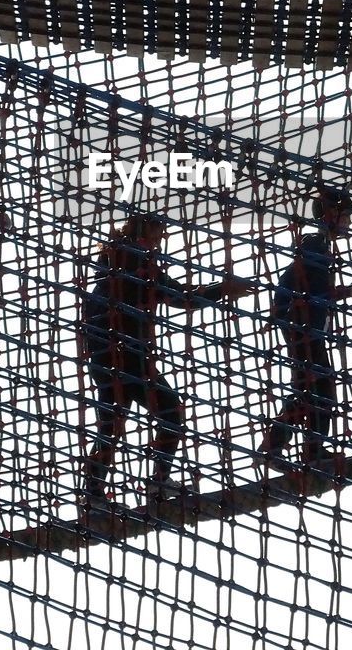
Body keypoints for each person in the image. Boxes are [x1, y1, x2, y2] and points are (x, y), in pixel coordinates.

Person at [79, 213, 250, 506]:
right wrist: (223, 289)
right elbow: (182, 298)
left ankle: (93, 491)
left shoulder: (111, 269)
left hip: (104, 358)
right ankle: (156, 482)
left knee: (112, 424)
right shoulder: (138, 267)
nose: (158, 245)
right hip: (129, 357)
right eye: (156, 237)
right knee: (170, 412)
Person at [256, 188, 352, 471]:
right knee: (320, 390)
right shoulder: (315, 246)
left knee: (311, 389)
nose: (350, 223)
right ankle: (293, 450)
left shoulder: (317, 245)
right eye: (346, 217)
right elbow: (314, 291)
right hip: (302, 328)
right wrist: (347, 291)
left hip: (303, 328)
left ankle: (292, 448)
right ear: (332, 215)